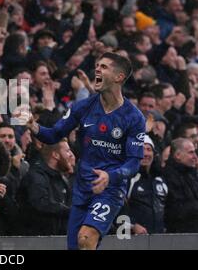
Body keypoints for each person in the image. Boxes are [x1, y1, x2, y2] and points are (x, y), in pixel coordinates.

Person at [27, 52, 145, 250]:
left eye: (104, 67)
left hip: (110, 190)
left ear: (119, 77)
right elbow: (54, 135)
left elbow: (134, 163)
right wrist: (34, 127)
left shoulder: (134, 118)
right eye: (97, 65)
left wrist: (111, 176)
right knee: (77, 247)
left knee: (85, 238)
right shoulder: (83, 106)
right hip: (82, 189)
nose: (97, 69)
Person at [17, 138, 75, 235]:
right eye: (67, 151)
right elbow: (41, 203)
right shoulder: (35, 176)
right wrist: (72, 211)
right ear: (55, 155)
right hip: (34, 242)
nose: (71, 155)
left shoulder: (62, 180)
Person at [163, 138, 198, 233]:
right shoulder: (168, 176)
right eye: (191, 152)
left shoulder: (191, 175)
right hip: (178, 237)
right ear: (178, 155)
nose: (195, 156)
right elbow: (175, 210)